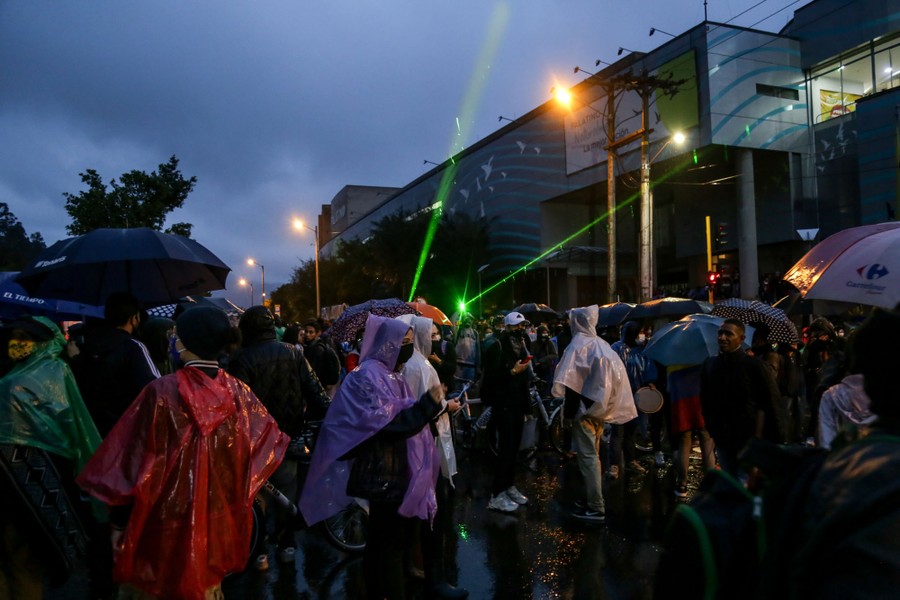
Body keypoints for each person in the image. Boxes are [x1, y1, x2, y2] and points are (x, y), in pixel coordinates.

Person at [77, 306, 288, 600]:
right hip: (215, 525)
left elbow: (131, 465)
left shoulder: (161, 392)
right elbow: (254, 453)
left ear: (185, 343)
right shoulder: (238, 393)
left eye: (177, 335)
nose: (172, 340)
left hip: (161, 525)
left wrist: (119, 523)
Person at [299, 314, 444, 600]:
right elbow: (387, 424)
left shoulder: (390, 375)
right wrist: (428, 404)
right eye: (403, 343)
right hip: (382, 476)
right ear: (386, 344)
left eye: (411, 343)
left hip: (393, 473)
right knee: (387, 546)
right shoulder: (368, 376)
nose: (407, 349)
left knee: (383, 544)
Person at [0, 316, 102, 600]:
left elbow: (75, 422)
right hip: (21, 476)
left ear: (44, 342)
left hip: (34, 477)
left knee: (22, 559)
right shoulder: (16, 370)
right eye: (15, 335)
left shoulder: (52, 371)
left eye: (25, 336)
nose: (17, 342)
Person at [227, 305, 331, 570]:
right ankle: (287, 545)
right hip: (289, 438)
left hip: (255, 443)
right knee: (287, 493)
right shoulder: (294, 354)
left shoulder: (241, 359)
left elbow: (237, 406)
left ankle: (259, 553)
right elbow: (317, 395)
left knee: (256, 498)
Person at [397, 314, 468, 599]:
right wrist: (446, 406)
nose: (434, 338)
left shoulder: (411, 364)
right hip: (425, 445)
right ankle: (433, 577)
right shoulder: (419, 366)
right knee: (432, 512)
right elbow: (422, 408)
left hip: (415, 444)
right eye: (432, 333)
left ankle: (412, 565)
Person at [552, 305, 635, 522]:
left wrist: (569, 415)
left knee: (588, 457)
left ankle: (596, 506)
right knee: (593, 455)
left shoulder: (577, 346)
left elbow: (572, 385)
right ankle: (590, 498)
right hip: (598, 409)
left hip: (582, 411)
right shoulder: (603, 346)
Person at [72, 291, 160, 436]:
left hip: (90, 428)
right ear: (134, 318)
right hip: (125, 430)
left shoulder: (87, 345)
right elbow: (155, 387)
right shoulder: (134, 346)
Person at [700, 318, 781, 475]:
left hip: (750, 441)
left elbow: (771, 404)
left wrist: (774, 442)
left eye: (728, 334)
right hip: (723, 440)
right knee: (731, 486)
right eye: (720, 333)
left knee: (749, 488)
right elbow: (706, 401)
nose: (722, 337)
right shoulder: (710, 365)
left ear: (742, 339)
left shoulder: (755, 366)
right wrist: (713, 429)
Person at [479, 311, 532, 513]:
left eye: (522, 326)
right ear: (507, 327)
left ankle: (509, 486)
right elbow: (492, 379)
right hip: (503, 405)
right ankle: (496, 494)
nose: (520, 330)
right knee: (506, 449)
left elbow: (524, 379)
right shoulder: (497, 346)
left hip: (517, 404)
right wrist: (512, 372)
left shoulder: (522, 345)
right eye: (516, 326)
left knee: (514, 449)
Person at [609, 321, 658, 477]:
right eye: (637, 333)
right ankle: (614, 465)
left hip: (636, 396)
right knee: (618, 433)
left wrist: (650, 383)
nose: (640, 336)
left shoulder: (641, 350)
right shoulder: (616, 349)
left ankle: (630, 461)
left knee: (630, 432)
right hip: (619, 397)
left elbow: (647, 369)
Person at [666, 364, 716, 497]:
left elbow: (669, 389)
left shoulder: (672, 364)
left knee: (684, 445)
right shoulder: (704, 362)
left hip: (682, 406)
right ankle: (710, 484)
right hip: (703, 404)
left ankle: (682, 485)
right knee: (707, 442)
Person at [303, 319, 341, 389]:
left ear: (317, 333)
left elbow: (314, 371)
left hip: (317, 386)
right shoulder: (309, 346)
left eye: (311, 332)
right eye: (306, 331)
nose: (307, 334)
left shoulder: (318, 349)